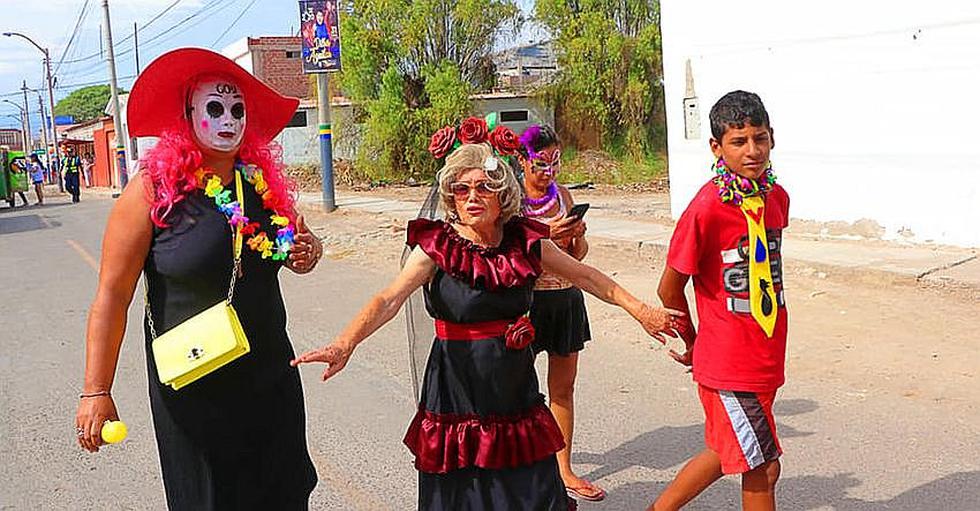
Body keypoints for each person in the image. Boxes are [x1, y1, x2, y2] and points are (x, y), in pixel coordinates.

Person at [292, 118, 683, 511]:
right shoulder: (436, 246)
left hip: (512, 383)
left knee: (530, 486)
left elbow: (588, 277)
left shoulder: (525, 240)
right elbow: (388, 299)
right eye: (461, 189)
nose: (471, 196)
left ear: (502, 196)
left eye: (483, 187)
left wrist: (642, 311)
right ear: (451, 197)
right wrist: (346, 342)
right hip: (456, 386)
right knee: (467, 491)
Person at [74, 48, 322, 510]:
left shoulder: (261, 187)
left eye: (237, 110)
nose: (228, 119)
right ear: (188, 114)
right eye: (214, 107)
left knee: (284, 491)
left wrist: (308, 252)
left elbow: (290, 250)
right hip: (194, 383)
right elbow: (111, 296)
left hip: (269, 376)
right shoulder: (152, 190)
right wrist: (96, 389)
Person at [650, 91, 789, 511]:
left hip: (765, 353)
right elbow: (669, 289)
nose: (752, 150)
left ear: (772, 138)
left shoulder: (776, 197)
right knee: (761, 466)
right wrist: (694, 341)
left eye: (759, 139)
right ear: (717, 147)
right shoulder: (707, 208)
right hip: (727, 361)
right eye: (739, 141)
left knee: (728, 450)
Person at [516, 124, 603, 502]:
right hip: (526, 304)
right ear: (520, 160)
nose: (548, 170)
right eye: (540, 162)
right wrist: (543, 234)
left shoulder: (564, 196)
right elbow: (508, 255)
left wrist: (577, 235)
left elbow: (577, 258)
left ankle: (563, 469)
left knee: (562, 390)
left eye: (555, 161)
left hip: (566, 300)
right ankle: (518, 467)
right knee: (517, 390)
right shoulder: (511, 200)